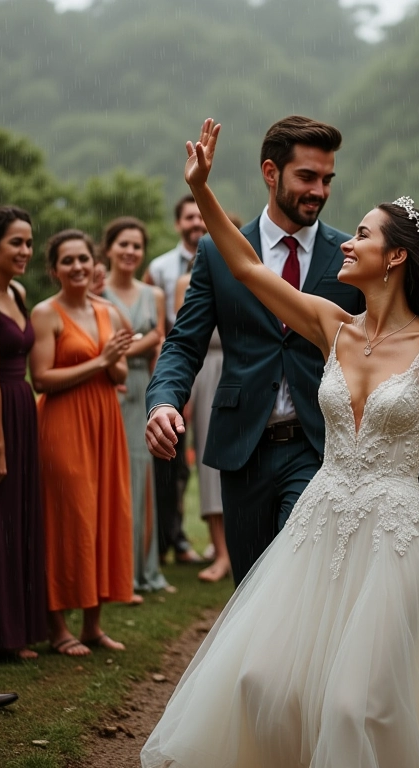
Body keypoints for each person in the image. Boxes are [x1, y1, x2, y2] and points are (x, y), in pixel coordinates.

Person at [141, 117, 419, 768]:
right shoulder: (333, 325)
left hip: (393, 535)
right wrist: (202, 190)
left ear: (396, 256)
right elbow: (243, 265)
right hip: (320, 521)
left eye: (363, 236)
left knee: (354, 705)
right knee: (262, 680)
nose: (346, 242)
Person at [146, 116, 366, 585]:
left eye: (327, 179)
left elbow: (379, 343)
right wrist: (163, 402)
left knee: (298, 577)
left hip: (319, 446)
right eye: (307, 177)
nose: (319, 191)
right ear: (271, 172)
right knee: (250, 589)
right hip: (243, 447)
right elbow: (184, 343)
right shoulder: (216, 252)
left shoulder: (349, 256)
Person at [31, 229, 134, 656]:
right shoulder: (45, 313)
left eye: (83, 259)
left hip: (105, 421)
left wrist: (113, 362)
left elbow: (121, 372)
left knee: (105, 512)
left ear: (94, 264)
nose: (77, 267)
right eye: (67, 260)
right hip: (62, 423)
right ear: (54, 269)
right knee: (67, 518)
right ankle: (57, 626)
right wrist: (101, 360)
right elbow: (41, 378)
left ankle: (93, 624)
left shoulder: (109, 311)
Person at [0, 207, 47, 660]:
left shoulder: (16, 292)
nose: (25, 251)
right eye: (16, 242)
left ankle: (15, 628)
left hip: (22, 407)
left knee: (17, 518)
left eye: (29, 243)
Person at [102, 217, 173, 595]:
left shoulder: (154, 294)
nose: (130, 251)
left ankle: (141, 570)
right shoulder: (97, 292)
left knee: (142, 477)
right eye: (123, 244)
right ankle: (111, 571)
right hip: (107, 387)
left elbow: (159, 338)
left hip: (142, 386)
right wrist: (138, 344)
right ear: (109, 249)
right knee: (110, 476)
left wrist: (124, 349)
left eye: (136, 246)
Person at [174, 213, 241, 582]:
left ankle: (243, 545)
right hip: (206, 372)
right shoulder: (187, 281)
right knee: (208, 461)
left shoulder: (253, 274)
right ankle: (221, 550)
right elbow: (183, 336)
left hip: (242, 367)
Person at [143, 195, 206, 565]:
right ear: (177, 223)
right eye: (189, 217)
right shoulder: (160, 267)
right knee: (172, 456)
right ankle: (169, 535)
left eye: (200, 216)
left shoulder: (225, 257)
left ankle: (184, 536)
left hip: (210, 365)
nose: (196, 223)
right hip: (175, 367)